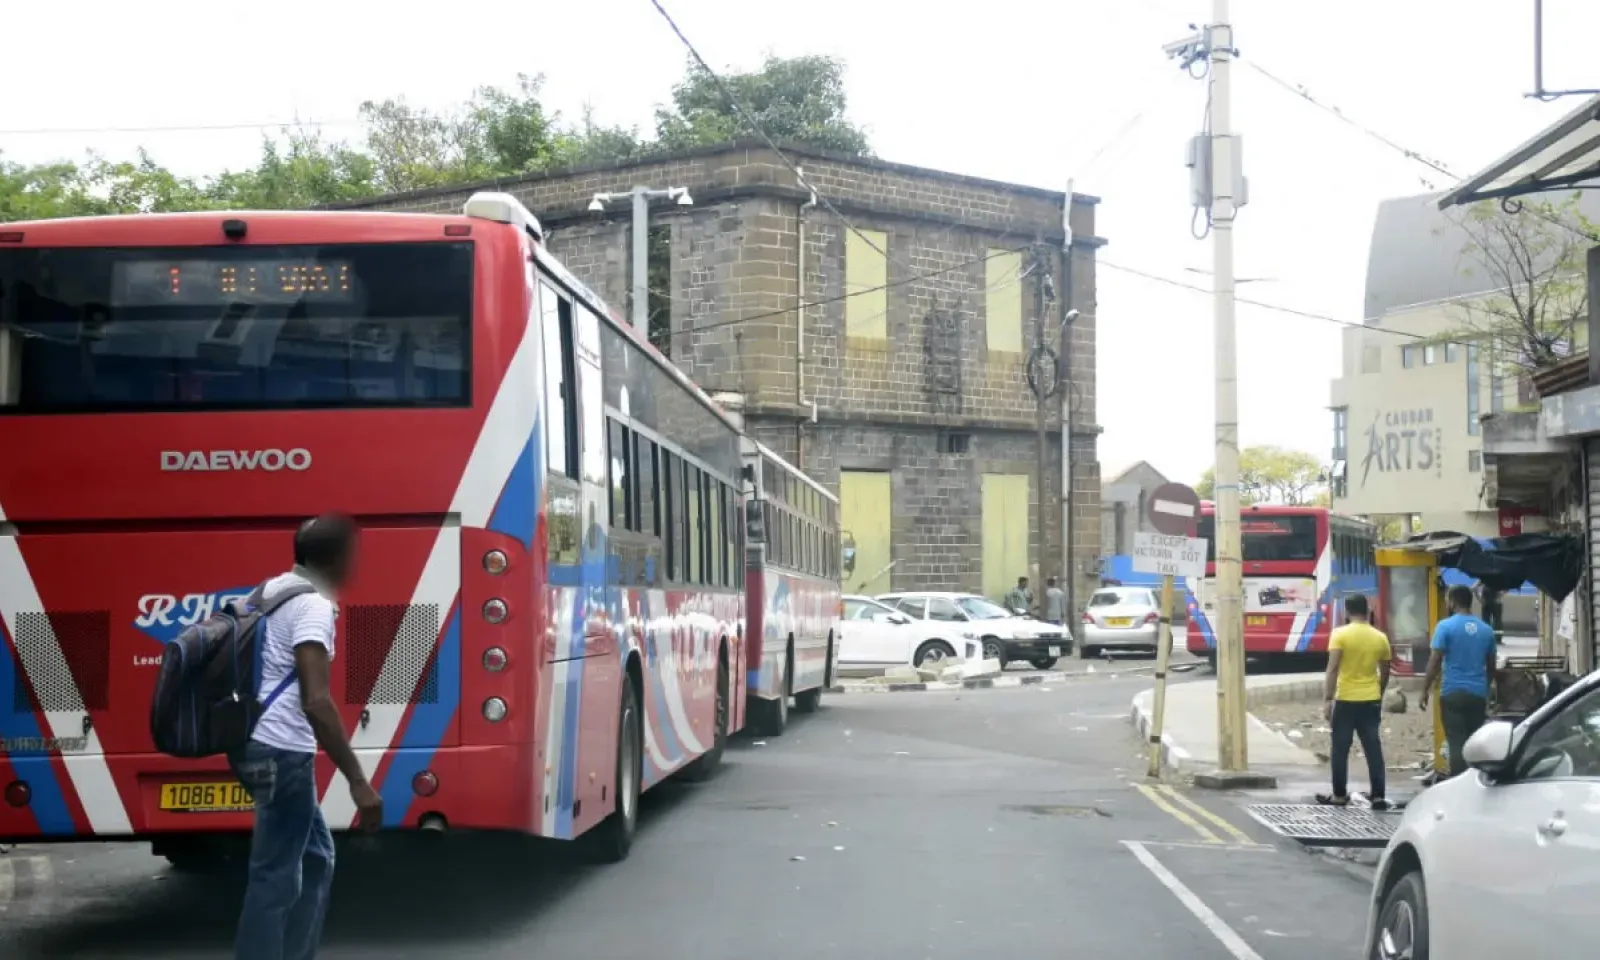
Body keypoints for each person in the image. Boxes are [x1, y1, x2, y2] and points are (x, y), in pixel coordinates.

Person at [231, 514, 383, 960]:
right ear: (335, 559)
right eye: (353, 556)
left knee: (317, 858)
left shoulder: (272, 589)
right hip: (282, 751)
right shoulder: (313, 605)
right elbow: (316, 700)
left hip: (253, 741)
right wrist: (357, 780)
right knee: (275, 876)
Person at [1317, 593, 1392, 810]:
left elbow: (1332, 669)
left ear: (1347, 612)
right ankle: (1378, 795)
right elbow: (1386, 670)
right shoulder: (1380, 637)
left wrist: (1327, 699)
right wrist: (1378, 691)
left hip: (1346, 699)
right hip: (1370, 700)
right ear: (1368, 610)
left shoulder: (1340, 634)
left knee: (1340, 749)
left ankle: (1339, 795)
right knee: (1373, 748)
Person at [1421, 585, 1499, 778]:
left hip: (1452, 693)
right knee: (1475, 741)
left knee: (1456, 742)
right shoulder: (1486, 630)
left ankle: (1457, 782)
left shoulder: (1445, 627)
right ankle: (1475, 781)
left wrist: (1425, 690)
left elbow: (1435, 660)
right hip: (1477, 694)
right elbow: (1491, 666)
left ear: (1453, 601)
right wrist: (1486, 689)